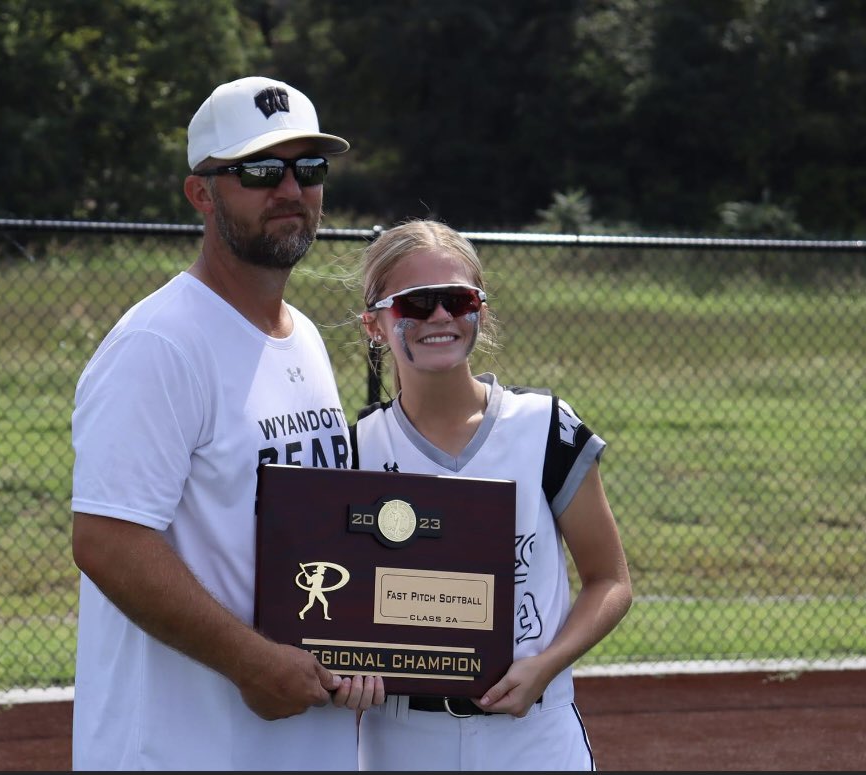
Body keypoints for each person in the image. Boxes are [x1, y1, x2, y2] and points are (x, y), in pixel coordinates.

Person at [69, 76, 383, 771]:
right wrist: (250, 661)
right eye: (259, 170)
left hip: (298, 742)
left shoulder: (299, 334)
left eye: (310, 168)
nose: (290, 189)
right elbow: (107, 541)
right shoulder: (159, 343)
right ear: (200, 193)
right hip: (184, 747)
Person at [351, 219, 633, 771]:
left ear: (480, 309)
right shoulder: (355, 450)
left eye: (457, 299)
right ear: (375, 325)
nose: (440, 317)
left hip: (533, 732)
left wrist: (545, 665)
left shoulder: (545, 426)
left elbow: (611, 581)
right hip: (402, 738)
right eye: (417, 302)